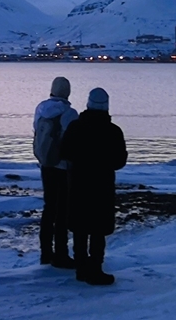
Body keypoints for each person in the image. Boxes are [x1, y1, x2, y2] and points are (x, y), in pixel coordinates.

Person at [60, 87, 128, 286]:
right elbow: (119, 161)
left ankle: (81, 268)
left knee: (80, 227)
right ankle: (96, 268)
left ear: (88, 103)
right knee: (98, 229)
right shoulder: (114, 131)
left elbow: (64, 152)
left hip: (79, 184)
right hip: (102, 186)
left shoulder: (75, 127)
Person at [33, 76, 79, 268]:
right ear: (67, 92)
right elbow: (74, 141)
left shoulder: (40, 109)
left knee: (48, 208)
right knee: (62, 211)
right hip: (62, 167)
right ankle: (61, 254)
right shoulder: (70, 113)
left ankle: (45, 253)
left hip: (45, 164)